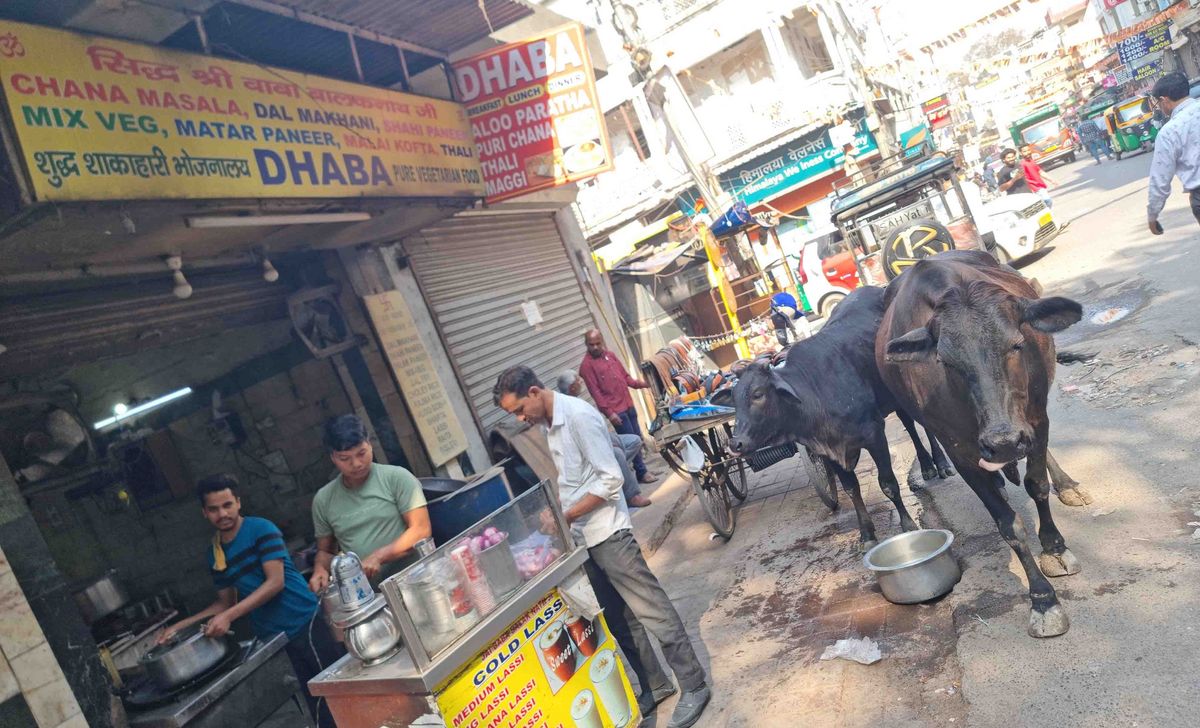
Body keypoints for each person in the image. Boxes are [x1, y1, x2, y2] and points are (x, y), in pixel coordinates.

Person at [493, 367, 711, 728]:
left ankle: (694, 684)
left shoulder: (578, 417)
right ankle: (655, 685)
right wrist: (562, 513)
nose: (519, 419)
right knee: (619, 619)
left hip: (609, 533)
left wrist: (565, 514)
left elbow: (611, 479)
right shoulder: (550, 424)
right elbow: (577, 480)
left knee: (651, 610)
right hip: (585, 538)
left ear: (534, 391)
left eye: (519, 410)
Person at [157, 475, 341, 726]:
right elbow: (224, 603)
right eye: (214, 509)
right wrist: (178, 626)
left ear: (238, 503)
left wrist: (229, 617)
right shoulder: (215, 553)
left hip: (305, 623)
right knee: (316, 708)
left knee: (338, 694)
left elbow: (275, 583)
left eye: (227, 505)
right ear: (204, 513)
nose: (222, 514)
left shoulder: (261, 529)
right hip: (274, 640)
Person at [308, 415, 431, 593]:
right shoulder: (323, 500)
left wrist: (378, 557)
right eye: (345, 458)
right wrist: (320, 569)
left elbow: (421, 530)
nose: (356, 464)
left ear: (369, 443)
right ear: (333, 458)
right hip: (371, 595)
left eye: (361, 453)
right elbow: (326, 552)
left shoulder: (397, 478)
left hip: (417, 580)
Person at [556, 369, 652, 508]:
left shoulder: (575, 401)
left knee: (634, 441)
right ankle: (632, 496)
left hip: (603, 437)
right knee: (618, 455)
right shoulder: (565, 408)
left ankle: (615, 473)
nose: (581, 381)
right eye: (578, 379)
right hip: (591, 448)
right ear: (572, 387)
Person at [578, 329, 659, 485]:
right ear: (586, 345)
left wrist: (644, 384)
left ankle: (643, 469)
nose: (595, 347)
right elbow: (596, 393)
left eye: (597, 343)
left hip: (628, 403)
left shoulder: (611, 356)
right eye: (591, 344)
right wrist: (609, 414)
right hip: (617, 411)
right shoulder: (586, 366)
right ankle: (641, 473)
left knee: (639, 437)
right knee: (632, 441)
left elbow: (626, 378)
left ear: (602, 341)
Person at [1146, 72, 1200, 235]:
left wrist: (1152, 215)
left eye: (1158, 103)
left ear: (1164, 100)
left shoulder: (1169, 132)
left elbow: (1160, 179)